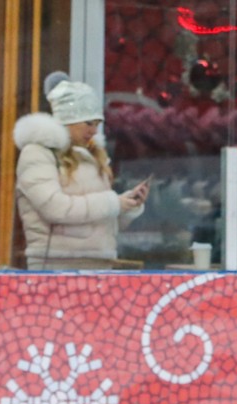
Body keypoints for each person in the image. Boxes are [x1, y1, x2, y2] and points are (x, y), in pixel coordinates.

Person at [14, 74, 147, 269]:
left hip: (99, 265)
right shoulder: (37, 153)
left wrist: (127, 206)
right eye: (88, 123)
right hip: (55, 266)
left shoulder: (92, 155)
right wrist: (112, 203)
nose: (94, 131)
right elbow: (55, 208)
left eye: (97, 124)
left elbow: (96, 220)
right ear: (68, 120)